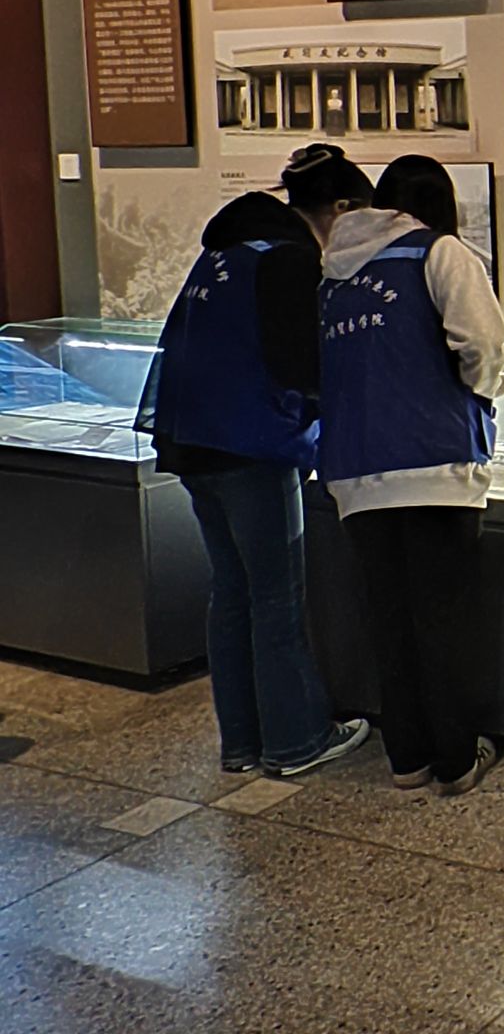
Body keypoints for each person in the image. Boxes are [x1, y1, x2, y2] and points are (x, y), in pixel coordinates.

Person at [141, 144, 373, 779]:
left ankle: (241, 741)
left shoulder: (225, 251)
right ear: (340, 208)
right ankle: (296, 740)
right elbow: (300, 367)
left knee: (233, 591)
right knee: (276, 597)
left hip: (191, 442)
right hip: (252, 447)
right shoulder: (290, 260)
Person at [319, 154, 504, 796]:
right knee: (442, 619)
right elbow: (483, 344)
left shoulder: (334, 270)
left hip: (354, 468)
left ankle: (407, 758)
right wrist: (478, 393)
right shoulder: (441, 252)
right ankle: (455, 761)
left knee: (390, 620)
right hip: (433, 462)